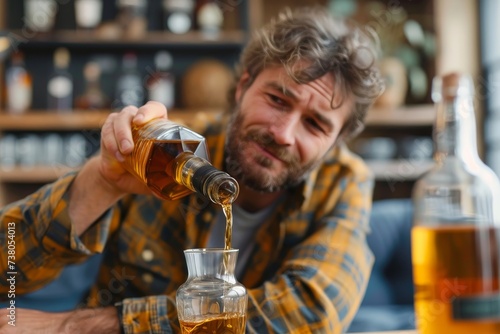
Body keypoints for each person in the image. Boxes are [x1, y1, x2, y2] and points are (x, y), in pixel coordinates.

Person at [0, 6, 384, 333]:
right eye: (277, 99)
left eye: (315, 124)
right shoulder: (169, 151)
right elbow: (7, 269)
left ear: (336, 142)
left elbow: (308, 313)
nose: (282, 134)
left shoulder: (342, 183)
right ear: (243, 86)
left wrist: (76, 326)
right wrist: (101, 182)